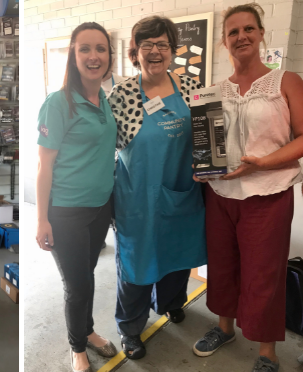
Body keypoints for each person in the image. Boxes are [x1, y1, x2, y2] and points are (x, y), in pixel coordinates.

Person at [191, 4, 303, 372]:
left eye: (248, 29)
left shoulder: (285, 82)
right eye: (233, 32)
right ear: (224, 41)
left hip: (268, 194)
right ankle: (224, 328)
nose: (241, 36)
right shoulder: (210, 92)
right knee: (222, 265)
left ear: (260, 34)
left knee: (263, 273)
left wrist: (263, 163)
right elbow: (207, 148)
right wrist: (202, 170)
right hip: (220, 195)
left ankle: (267, 353)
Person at [107, 16, 207, 360]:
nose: (154, 51)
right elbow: (105, 150)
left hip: (183, 190)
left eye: (162, 44)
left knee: (178, 258)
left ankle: (169, 303)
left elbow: (209, 135)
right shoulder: (121, 96)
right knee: (137, 268)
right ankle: (130, 328)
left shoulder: (191, 86)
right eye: (146, 45)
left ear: (172, 50)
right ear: (135, 52)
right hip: (139, 199)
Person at [35, 22, 119, 372]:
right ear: (73, 54)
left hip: (100, 208)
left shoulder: (105, 99)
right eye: (84, 48)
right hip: (66, 212)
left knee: (88, 274)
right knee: (78, 285)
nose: (93, 55)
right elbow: (44, 166)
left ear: (109, 56)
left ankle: (88, 330)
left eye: (100, 48)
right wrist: (41, 219)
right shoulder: (58, 103)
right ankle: (77, 348)